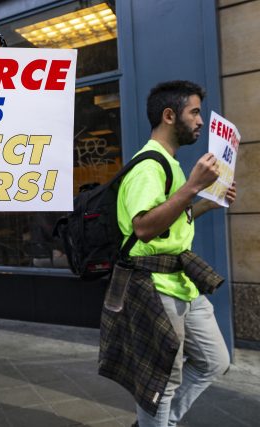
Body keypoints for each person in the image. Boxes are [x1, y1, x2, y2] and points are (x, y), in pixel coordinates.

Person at [98, 80, 236, 427]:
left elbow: (172, 220)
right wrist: (192, 187)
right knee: (161, 381)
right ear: (170, 115)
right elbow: (144, 227)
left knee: (214, 360)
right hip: (154, 286)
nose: (201, 121)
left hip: (182, 283)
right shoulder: (148, 166)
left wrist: (205, 203)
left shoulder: (170, 165)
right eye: (195, 112)